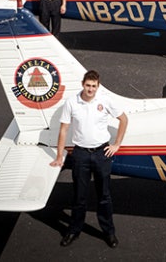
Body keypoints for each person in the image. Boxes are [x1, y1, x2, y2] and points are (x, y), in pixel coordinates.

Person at [50, 70, 128, 249]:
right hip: (81, 154)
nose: (90, 89)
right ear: (82, 84)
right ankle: (73, 231)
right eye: (88, 85)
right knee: (79, 196)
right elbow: (63, 130)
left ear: (98, 86)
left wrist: (116, 144)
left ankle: (109, 232)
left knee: (104, 196)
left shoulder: (105, 100)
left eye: (94, 86)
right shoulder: (71, 102)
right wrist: (59, 156)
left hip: (102, 153)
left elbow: (124, 119)